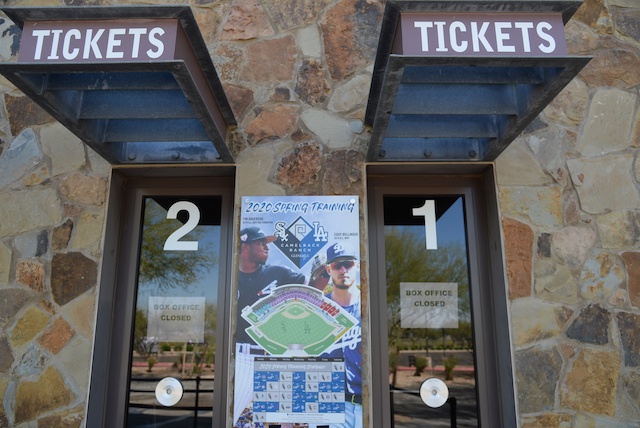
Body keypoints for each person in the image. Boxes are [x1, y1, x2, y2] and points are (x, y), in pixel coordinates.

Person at [234, 226, 305, 425]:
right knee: (234, 416)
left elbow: (309, 288)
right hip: (243, 356)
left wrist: (322, 273)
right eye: (261, 242)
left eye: (268, 243)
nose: (267, 247)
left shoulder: (277, 272)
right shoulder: (230, 277)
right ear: (245, 247)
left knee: (288, 421)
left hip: (276, 354)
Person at [323, 242, 362, 428]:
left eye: (348, 263)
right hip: (329, 404)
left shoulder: (370, 308)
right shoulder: (317, 309)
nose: (343, 269)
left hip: (367, 402)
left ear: (358, 266)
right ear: (328, 269)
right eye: (337, 265)